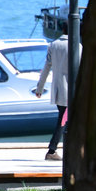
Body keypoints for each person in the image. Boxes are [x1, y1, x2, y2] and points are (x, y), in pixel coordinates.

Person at [35, 27, 79, 161]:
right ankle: (52, 150)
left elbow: (46, 67)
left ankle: (63, 150)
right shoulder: (77, 46)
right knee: (63, 120)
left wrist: (40, 88)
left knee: (64, 119)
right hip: (71, 90)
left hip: (58, 90)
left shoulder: (53, 45)